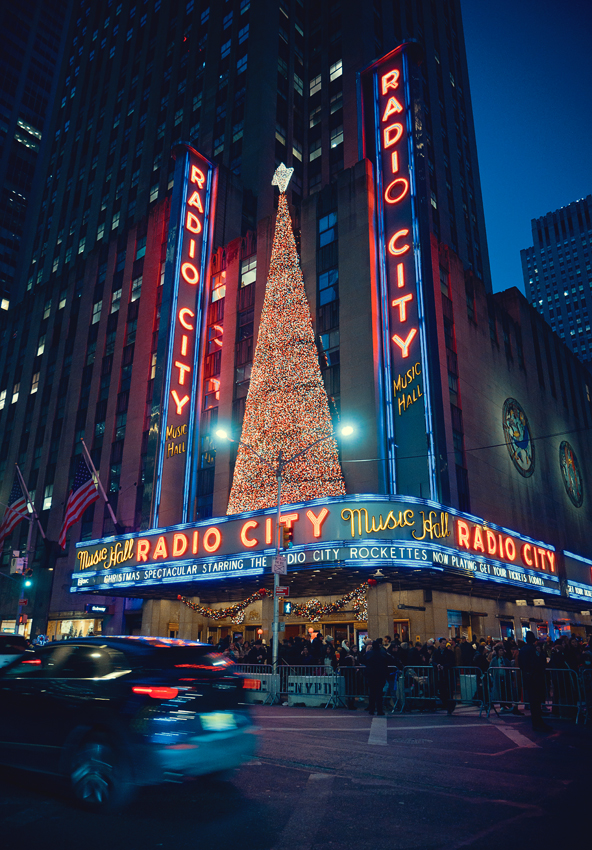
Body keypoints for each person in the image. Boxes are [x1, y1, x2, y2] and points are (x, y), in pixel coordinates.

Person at [518, 631, 551, 732]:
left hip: (528, 677)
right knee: (536, 702)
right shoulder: (532, 650)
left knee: (533, 702)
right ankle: (537, 723)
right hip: (535, 678)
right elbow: (537, 663)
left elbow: (521, 664)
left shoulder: (522, 650)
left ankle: (537, 722)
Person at [363, 639, 390, 716]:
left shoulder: (369, 653)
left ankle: (371, 709)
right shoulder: (382, 653)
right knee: (379, 693)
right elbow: (389, 660)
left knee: (372, 693)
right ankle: (379, 710)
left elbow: (362, 660)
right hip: (380, 674)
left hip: (371, 675)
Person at [431, 638, 456, 714]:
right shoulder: (436, 652)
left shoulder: (449, 652)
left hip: (447, 673)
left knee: (449, 691)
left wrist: (444, 666)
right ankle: (447, 704)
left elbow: (452, 662)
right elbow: (433, 661)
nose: (444, 645)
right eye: (443, 643)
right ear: (440, 643)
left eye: (445, 643)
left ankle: (450, 706)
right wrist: (437, 665)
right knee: (442, 690)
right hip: (440, 674)